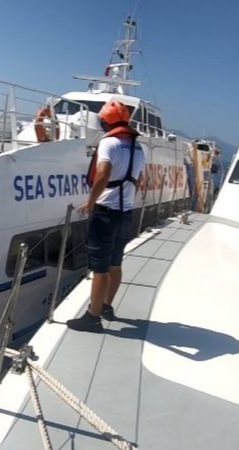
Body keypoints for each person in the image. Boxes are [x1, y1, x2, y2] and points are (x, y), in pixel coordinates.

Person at [67, 100, 145, 332]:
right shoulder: (139, 147)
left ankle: (93, 317)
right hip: (126, 212)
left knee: (99, 268)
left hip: (105, 212)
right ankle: (107, 306)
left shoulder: (109, 143)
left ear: (105, 122)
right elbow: (139, 179)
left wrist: (90, 202)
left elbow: (102, 175)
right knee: (115, 263)